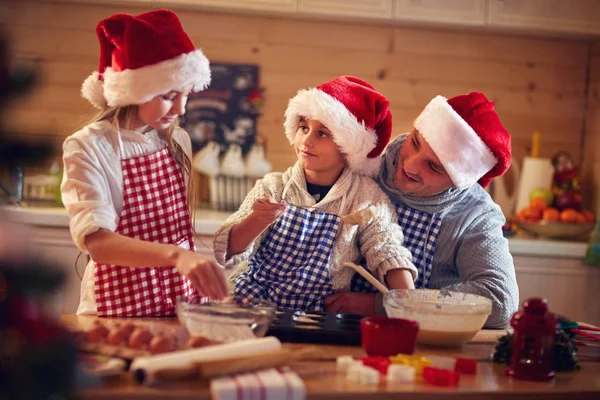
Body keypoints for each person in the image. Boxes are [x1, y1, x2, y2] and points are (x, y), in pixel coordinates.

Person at [61, 9, 228, 317]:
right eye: (168, 96)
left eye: (186, 95)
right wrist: (177, 256)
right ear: (134, 91)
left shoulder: (176, 139)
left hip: (179, 300)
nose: (179, 108)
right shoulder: (89, 145)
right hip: (116, 305)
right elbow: (98, 242)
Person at [214, 76, 417, 311]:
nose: (306, 140)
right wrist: (257, 219)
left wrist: (408, 301)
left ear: (348, 147)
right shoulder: (273, 186)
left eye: (322, 134)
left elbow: (385, 246)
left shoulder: (367, 197)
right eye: (304, 128)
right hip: (252, 306)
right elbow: (230, 250)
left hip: (318, 315)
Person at [327, 92, 519, 328]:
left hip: (419, 342)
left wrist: (385, 306)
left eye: (433, 167)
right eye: (415, 142)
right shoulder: (364, 164)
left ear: (457, 181)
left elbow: (500, 302)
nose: (410, 165)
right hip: (331, 323)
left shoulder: (474, 215)